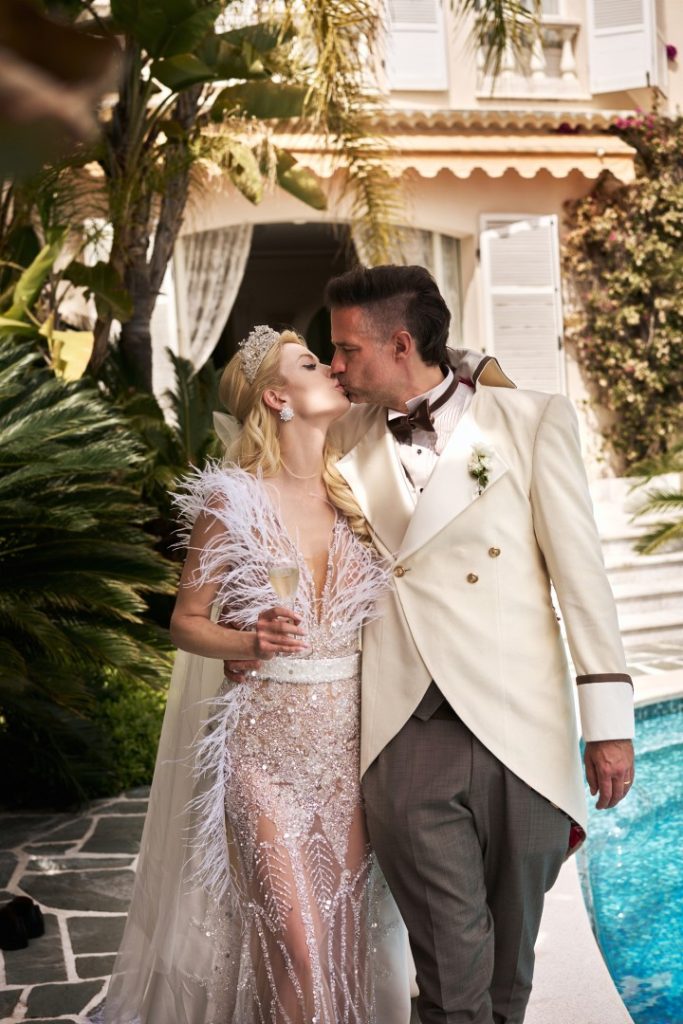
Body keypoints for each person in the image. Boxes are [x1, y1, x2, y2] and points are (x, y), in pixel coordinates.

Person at [318, 264, 635, 1024]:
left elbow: (580, 578)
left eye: (347, 349)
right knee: (451, 970)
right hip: (406, 728)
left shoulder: (530, 420)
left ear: (400, 345)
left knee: (508, 966)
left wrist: (608, 725)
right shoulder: (336, 441)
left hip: (521, 724)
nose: (334, 365)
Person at [102, 325, 418, 1024]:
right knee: (295, 948)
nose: (332, 367)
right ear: (278, 397)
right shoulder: (232, 499)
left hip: (349, 752)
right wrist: (247, 638)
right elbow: (186, 621)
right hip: (261, 756)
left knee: (341, 941)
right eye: (311, 363)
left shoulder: (359, 496)